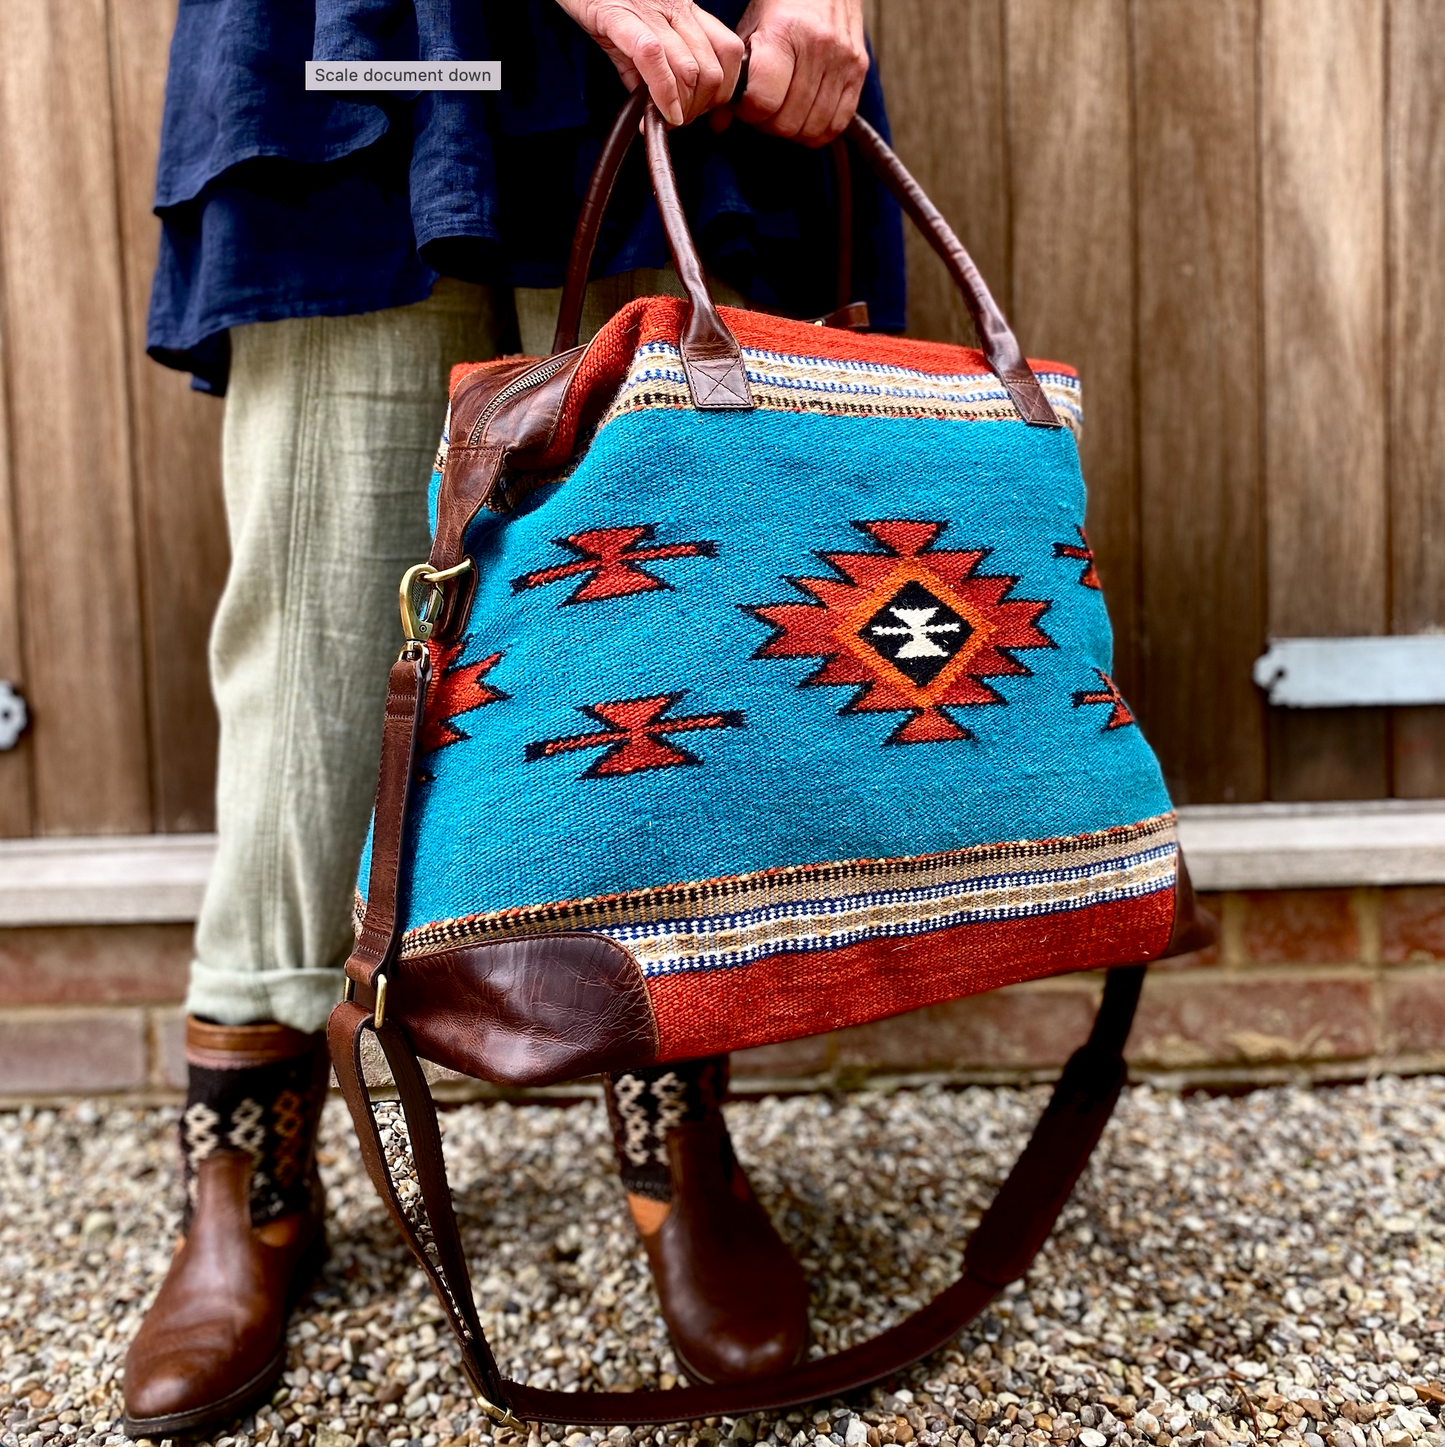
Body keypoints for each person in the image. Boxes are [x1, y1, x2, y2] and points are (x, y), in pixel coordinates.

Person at [122, 1, 905, 1436]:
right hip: (368, 56)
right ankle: (251, 1157)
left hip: (687, 59)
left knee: (662, 638)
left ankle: (676, 1116)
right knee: (319, 632)